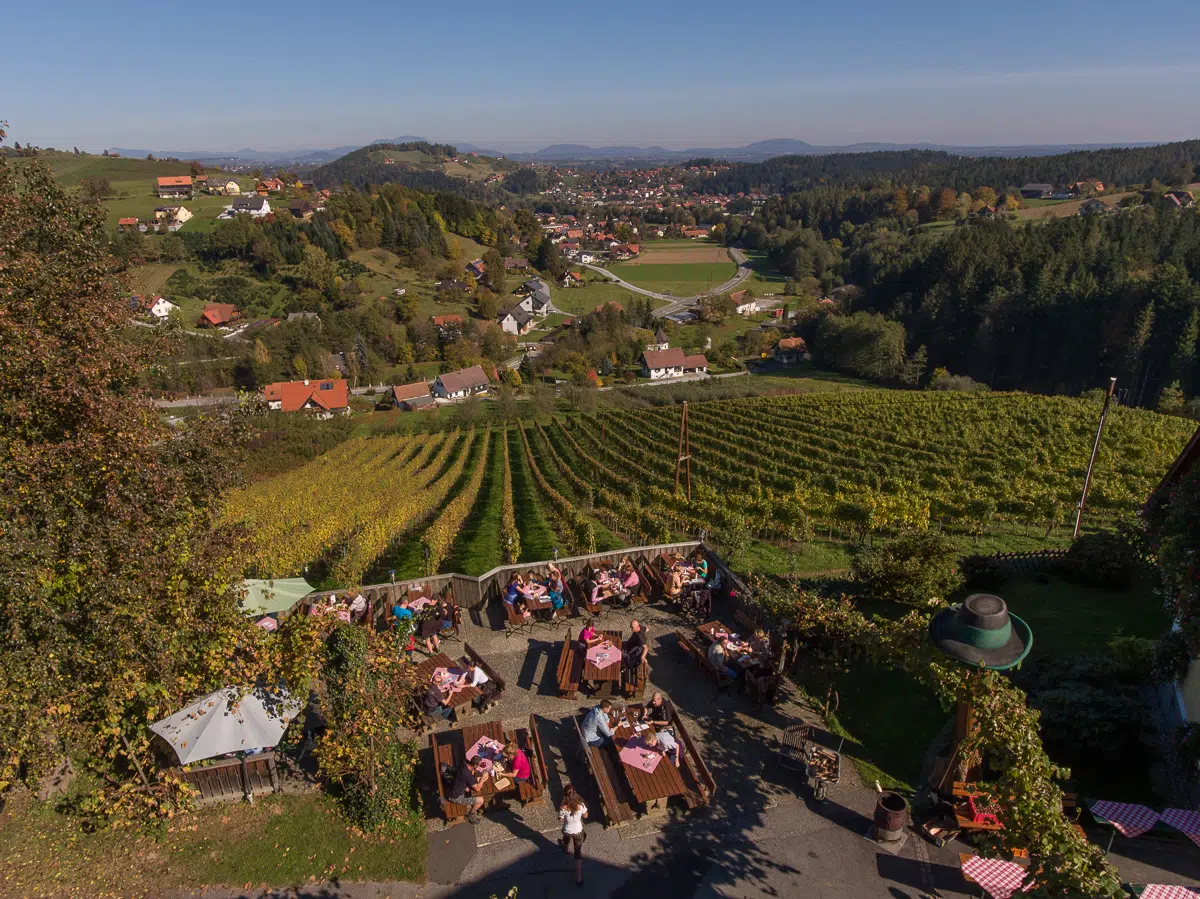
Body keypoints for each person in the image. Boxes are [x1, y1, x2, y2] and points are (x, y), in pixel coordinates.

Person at [559, 785, 588, 887]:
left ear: (565, 795)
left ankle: (566, 849)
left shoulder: (563, 807)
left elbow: (561, 819)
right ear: (574, 793)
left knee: (566, 839)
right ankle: (579, 879)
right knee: (578, 853)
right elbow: (585, 816)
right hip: (578, 831)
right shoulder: (581, 805)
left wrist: (563, 817)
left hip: (567, 830)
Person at [446, 755, 486, 823]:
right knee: (481, 800)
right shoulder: (467, 775)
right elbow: (477, 788)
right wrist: (484, 776)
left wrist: (465, 786)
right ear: (475, 766)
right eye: (479, 765)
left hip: (454, 786)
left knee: (470, 789)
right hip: (455, 797)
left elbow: (469, 774)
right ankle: (470, 815)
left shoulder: (464, 763)